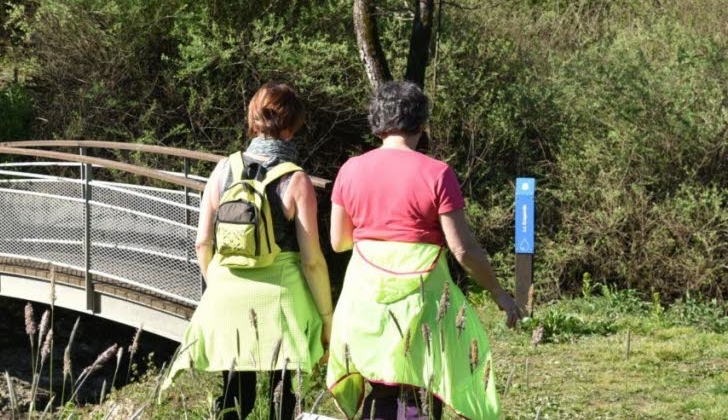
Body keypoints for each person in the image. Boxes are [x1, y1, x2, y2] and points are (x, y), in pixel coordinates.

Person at [325, 81, 521, 420]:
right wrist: (499, 294)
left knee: (382, 388)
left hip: (364, 296)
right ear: (421, 122)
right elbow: (463, 250)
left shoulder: (350, 169)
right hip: (423, 298)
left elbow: (339, 241)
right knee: (420, 389)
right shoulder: (438, 173)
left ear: (377, 121)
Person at [164, 82, 334, 420]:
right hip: (282, 301)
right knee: (283, 396)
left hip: (227, 297)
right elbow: (312, 261)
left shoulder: (223, 169)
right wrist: (327, 319)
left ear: (253, 121)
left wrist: (219, 285)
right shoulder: (296, 180)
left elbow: (202, 243)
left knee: (233, 395)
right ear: (292, 127)